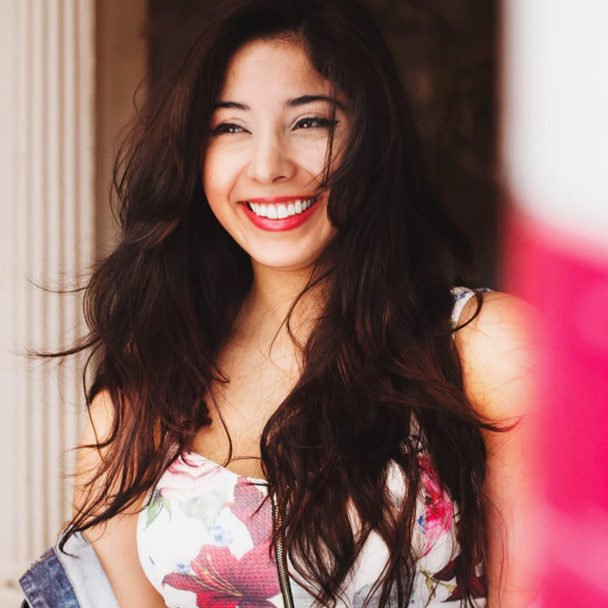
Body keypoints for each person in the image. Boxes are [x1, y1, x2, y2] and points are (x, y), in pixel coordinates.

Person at [33, 0, 536, 606]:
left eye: (310, 122)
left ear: (371, 139)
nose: (269, 167)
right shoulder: (134, 414)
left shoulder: (484, 349)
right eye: (229, 127)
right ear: (194, 158)